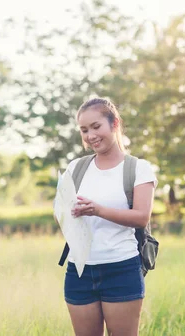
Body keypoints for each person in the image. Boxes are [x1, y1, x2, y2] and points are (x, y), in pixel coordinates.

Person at [61, 97, 157, 336]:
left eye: (96, 127)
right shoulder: (75, 169)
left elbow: (141, 217)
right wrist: (69, 213)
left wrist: (98, 210)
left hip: (121, 268)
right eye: (84, 130)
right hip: (79, 270)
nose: (90, 135)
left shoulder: (137, 168)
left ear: (114, 124)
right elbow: (61, 214)